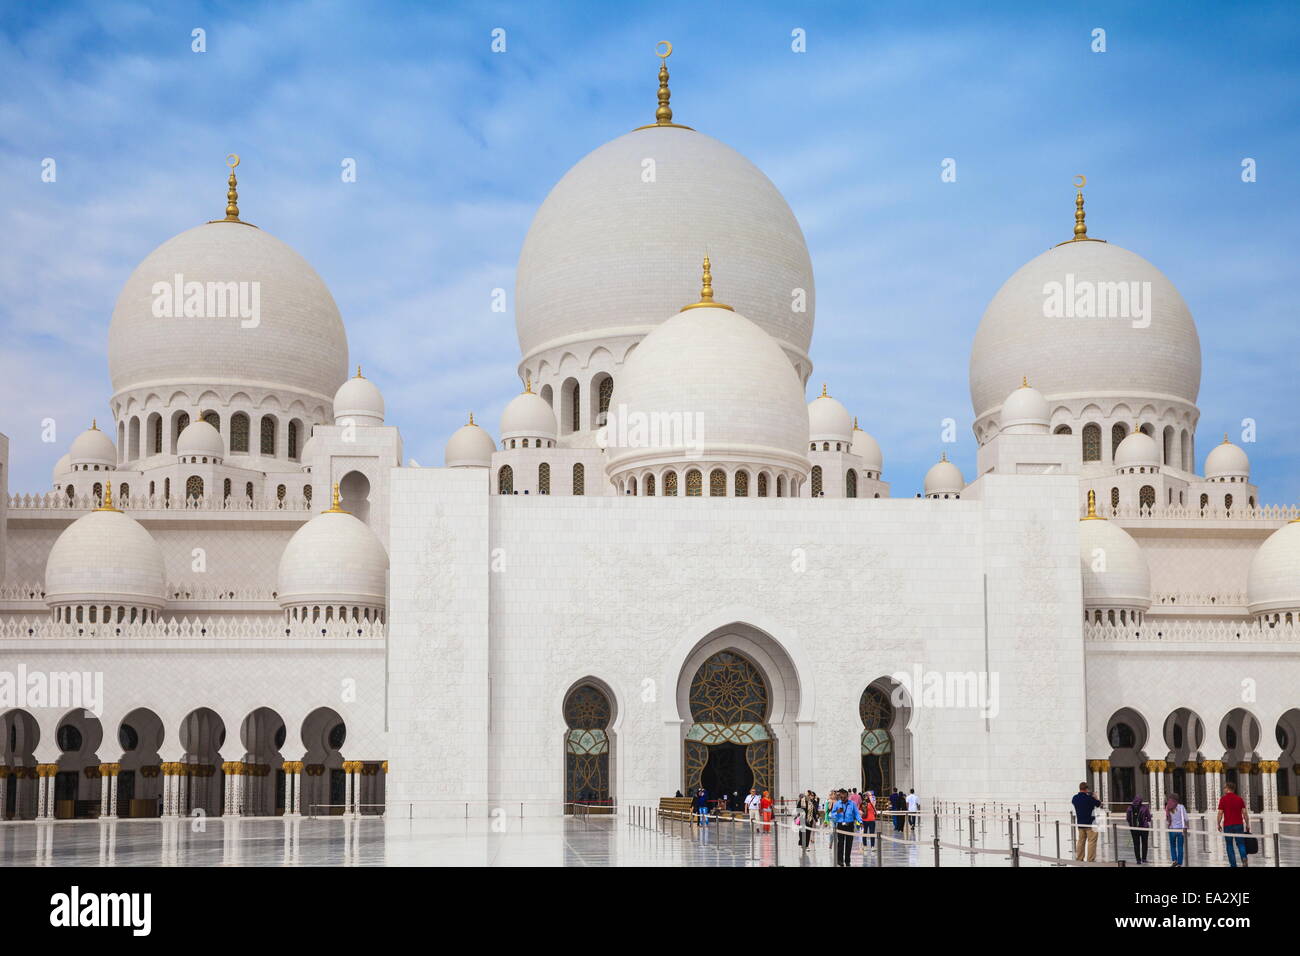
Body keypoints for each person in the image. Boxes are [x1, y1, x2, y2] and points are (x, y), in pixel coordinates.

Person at [1216, 782, 1250, 867]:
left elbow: (1220, 813)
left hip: (1228, 825)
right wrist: (1247, 824)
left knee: (1229, 845)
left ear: (1228, 788)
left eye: (1224, 787)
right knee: (1241, 843)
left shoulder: (1223, 799)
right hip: (1239, 824)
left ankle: (1233, 864)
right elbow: (1245, 813)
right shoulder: (1239, 799)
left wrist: (1218, 823)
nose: (1224, 789)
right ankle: (1244, 857)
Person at [831, 789, 863, 866]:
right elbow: (832, 814)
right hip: (840, 825)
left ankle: (847, 861)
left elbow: (856, 814)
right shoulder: (837, 804)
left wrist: (860, 821)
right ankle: (840, 860)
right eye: (841, 797)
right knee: (840, 844)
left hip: (850, 825)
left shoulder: (852, 804)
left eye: (844, 797)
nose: (843, 799)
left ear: (847, 796)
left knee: (849, 844)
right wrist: (837, 812)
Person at [1072, 782, 1102, 862]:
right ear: (1086, 789)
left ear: (1080, 788)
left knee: (1081, 841)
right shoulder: (1089, 798)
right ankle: (1090, 859)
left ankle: (1079, 858)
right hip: (1091, 823)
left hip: (1080, 823)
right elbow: (1098, 804)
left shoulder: (1075, 798)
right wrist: (1096, 797)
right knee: (1091, 842)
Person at [1126, 794, 1151, 864]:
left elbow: (1128, 819)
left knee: (1136, 844)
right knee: (1144, 843)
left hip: (1133, 829)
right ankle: (1144, 858)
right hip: (1144, 828)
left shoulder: (1129, 808)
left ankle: (1138, 860)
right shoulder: (1144, 808)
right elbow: (1149, 818)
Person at [1165, 792, 1187, 867]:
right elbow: (1186, 818)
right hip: (1180, 829)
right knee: (1180, 846)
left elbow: (1167, 819)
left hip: (1172, 829)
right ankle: (1179, 863)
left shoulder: (1168, 807)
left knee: (1172, 845)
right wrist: (1187, 827)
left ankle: (1174, 860)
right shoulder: (1181, 807)